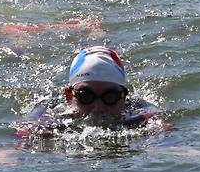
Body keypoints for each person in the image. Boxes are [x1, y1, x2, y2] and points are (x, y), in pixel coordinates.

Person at [11, 46, 160, 138]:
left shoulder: (140, 112)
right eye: (86, 96)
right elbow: (23, 131)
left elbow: (165, 133)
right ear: (69, 96)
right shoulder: (50, 111)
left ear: (123, 97)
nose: (98, 107)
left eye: (110, 97)